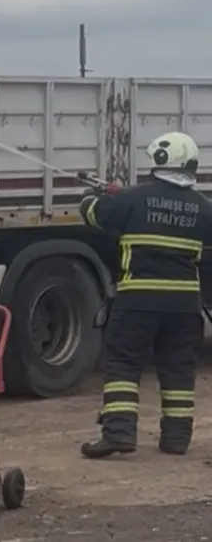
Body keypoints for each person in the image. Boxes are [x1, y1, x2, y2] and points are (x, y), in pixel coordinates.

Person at [79, 131, 212, 459]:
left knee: (123, 365)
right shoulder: (203, 207)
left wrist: (96, 193)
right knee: (179, 372)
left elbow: (92, 213)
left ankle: (119, 434)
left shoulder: (133, 198)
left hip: (138, 300)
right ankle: (176, 440)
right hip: (185, 305)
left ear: (159, 160)